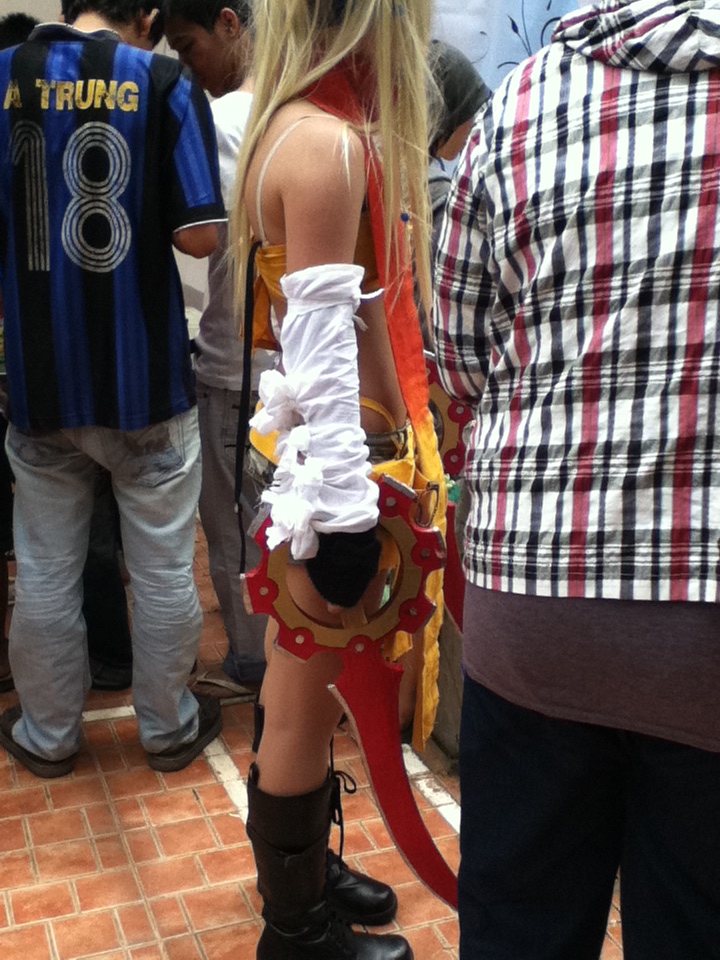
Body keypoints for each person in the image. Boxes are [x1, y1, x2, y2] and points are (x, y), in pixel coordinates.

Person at [434, 1, 720, 958]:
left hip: (535, 607)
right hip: (706, 634)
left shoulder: (517, 106)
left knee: (520, 927)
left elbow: (460, 362)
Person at [232, 0, 446, 957]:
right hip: (331, 472)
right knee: (301, 699)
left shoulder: (299, 126)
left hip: (321, 463)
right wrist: (351, 513)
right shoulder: (324, 143)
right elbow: (322, 354)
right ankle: (297, 928)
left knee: (301, 695)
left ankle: (306, 877)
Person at [0, 0, 226, 779]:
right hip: (144, 384)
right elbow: (202, 234)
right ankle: (167, 730)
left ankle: (48, 735)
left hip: (42, 382)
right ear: (149, 16)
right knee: (162, 569)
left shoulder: (4, 77)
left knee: (44, 568)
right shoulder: (162, 82)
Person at [163, 0, 269, 702]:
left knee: (235, 526)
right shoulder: (303, 110)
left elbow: (199, 236)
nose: (187, 66)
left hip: (238, 364)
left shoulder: (224, 120)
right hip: (298, 365)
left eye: (188, 45)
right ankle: (299, 663)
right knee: (289, 523)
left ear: (230, 23)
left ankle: (255, 665)